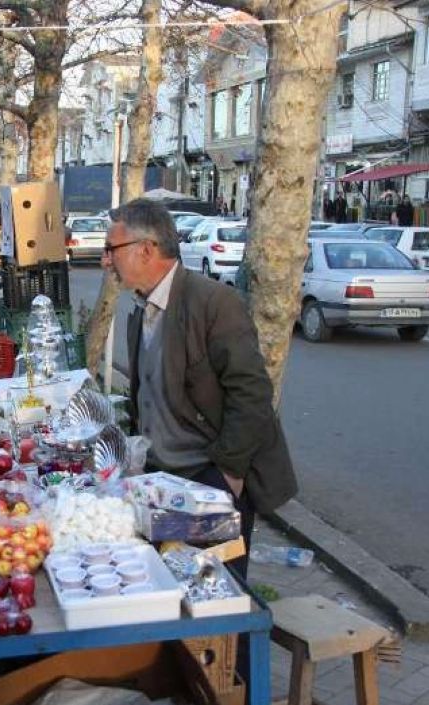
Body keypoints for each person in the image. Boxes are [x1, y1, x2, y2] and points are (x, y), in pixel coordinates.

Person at [101, 197, 297, 583]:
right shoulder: (142, 307)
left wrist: (227, 474)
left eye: (112, 249)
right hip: (164, 480)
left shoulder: (212, 302)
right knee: (172, 590)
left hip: (210, 479)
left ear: (146, 249)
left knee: (217, 597)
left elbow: (252, 393)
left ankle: (233, 645)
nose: (106, 260)